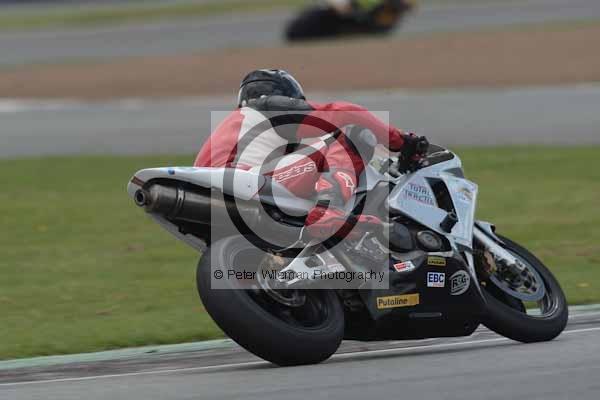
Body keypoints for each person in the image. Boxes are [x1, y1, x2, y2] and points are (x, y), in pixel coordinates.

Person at [194, 69, 427, 241]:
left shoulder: (239, 128)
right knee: (353, 136)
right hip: (242, 180)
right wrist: (401, 141)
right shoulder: (268, 107)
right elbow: (346, 113)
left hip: (212, 200)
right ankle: (328, 210)